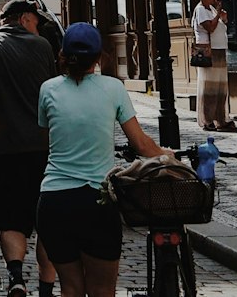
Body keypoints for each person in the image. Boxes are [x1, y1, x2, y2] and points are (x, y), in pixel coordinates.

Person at [36, 22, 172, 297]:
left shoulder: (48, 89)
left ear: (63, 56)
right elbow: (141, 144)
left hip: (54, 202)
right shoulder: (113, 88)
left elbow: (47, 137)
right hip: (96, 203)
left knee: (70, 289)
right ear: (99, 57)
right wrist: (168, 155)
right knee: (102, 290)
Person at [0, 0, 58, 297]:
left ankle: (16, 278)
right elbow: (52, 90)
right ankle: (46, 290)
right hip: (43, 147)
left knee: (12, 220)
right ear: (23, 19)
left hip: (6, 148)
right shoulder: (44, 47)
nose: (37, 29)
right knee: (45, 220)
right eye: (36, 22)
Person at [191, 0, 237, 132]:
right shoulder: (201, 9)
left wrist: (223, 17)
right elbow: (210, 27)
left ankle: (221, 118)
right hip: (209, 52)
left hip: (219, 50)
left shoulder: (210, 8)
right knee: (209, 88)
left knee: (220, 88)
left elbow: (220, 25)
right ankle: (207, 120)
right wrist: (218, 14)